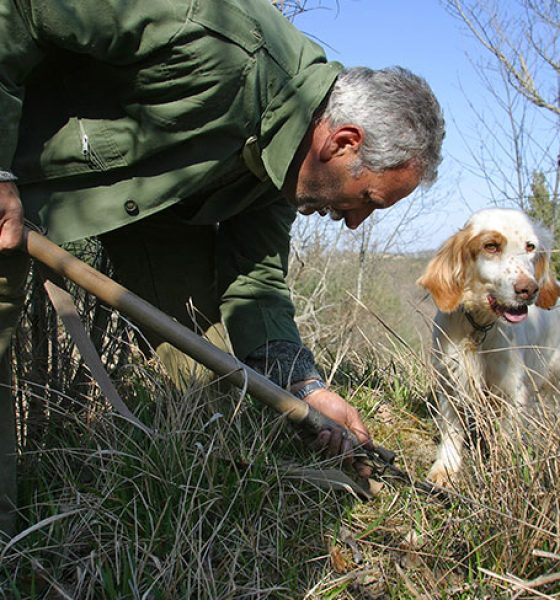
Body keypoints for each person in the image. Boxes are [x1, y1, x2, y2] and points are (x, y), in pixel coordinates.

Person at [0, 0, 445, 536]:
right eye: (367, 199)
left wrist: (307, 388)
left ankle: (197, 528)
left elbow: (255, 283)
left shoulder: (287, 173)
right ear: (343, 142)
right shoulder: (206, 33)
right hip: (17, 141)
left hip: (148, 209)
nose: (354, 224)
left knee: (212, 390)